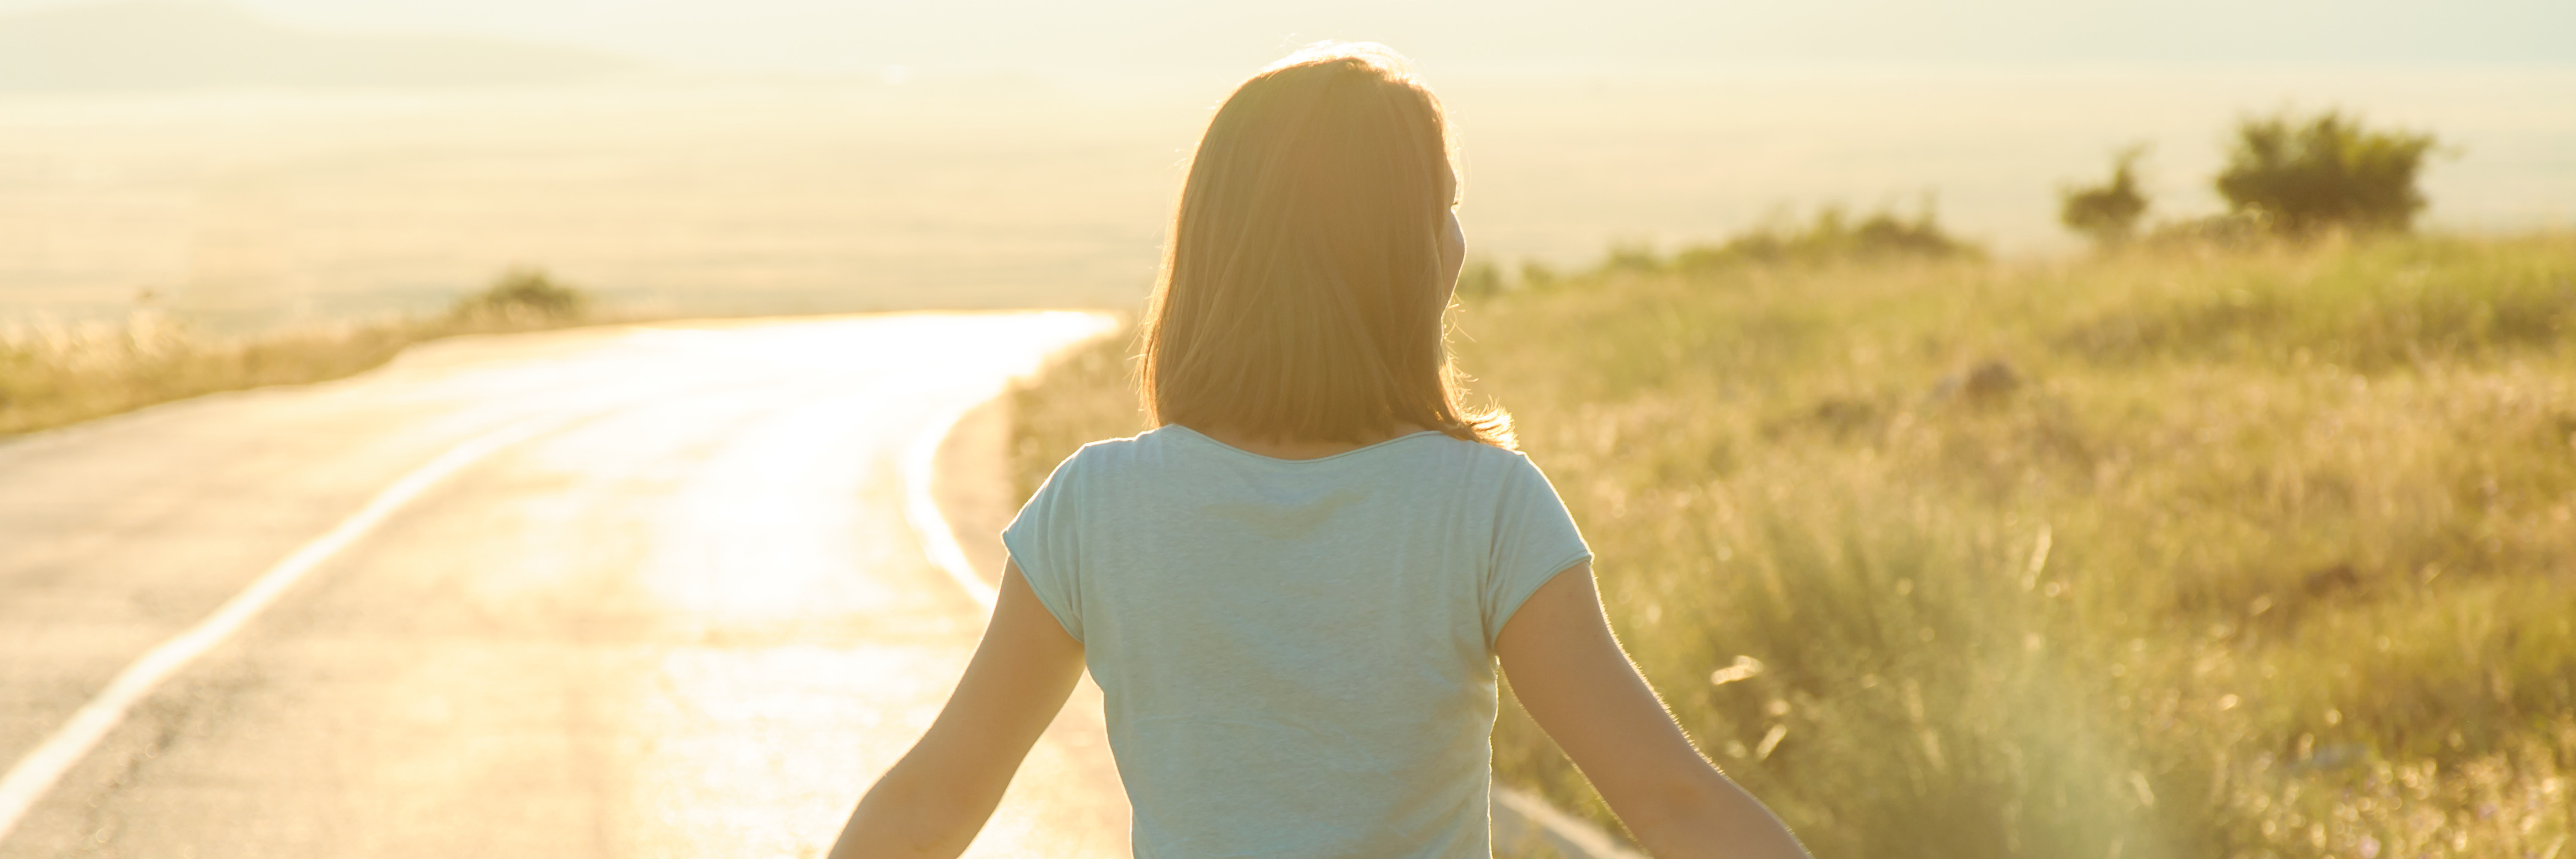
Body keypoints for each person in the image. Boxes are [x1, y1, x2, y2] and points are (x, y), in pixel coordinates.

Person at [826, 43, 1812, 859]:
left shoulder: (1098, 504)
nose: (1459, 242)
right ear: (1393, 251)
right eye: (1442, 206)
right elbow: (1674, 804)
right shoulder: (1485, 507)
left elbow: (930, 805)